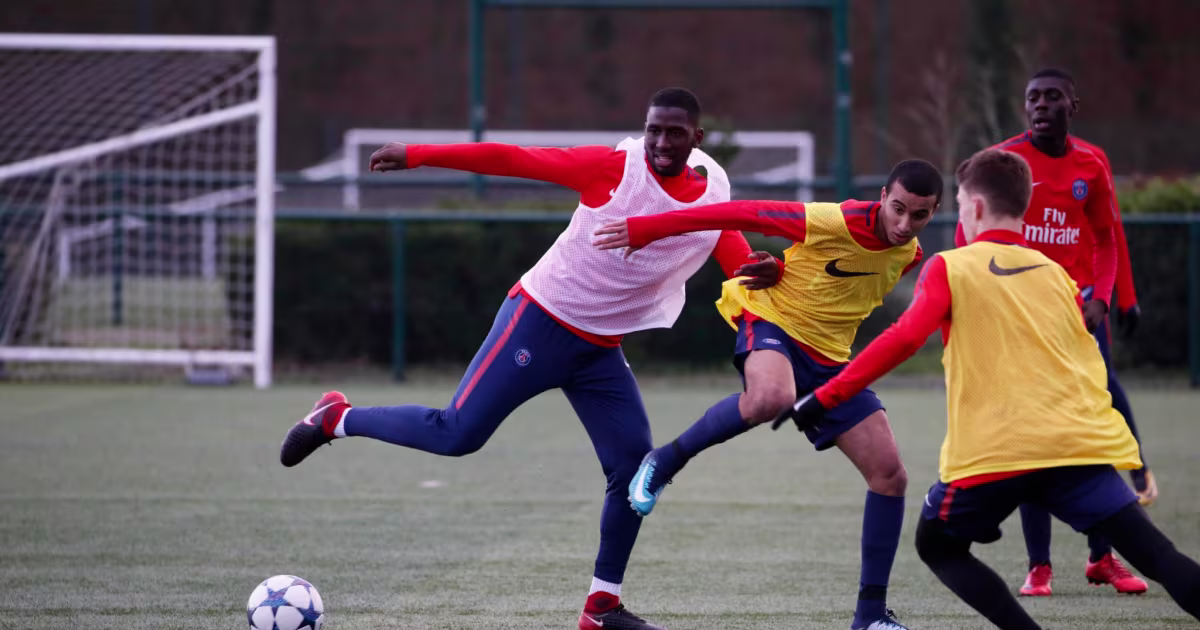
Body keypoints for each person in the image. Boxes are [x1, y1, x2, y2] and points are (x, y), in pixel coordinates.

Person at [279, 87, 783, 630]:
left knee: (634, 471)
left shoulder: (713, 188)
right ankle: (337, 418)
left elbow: (725, 243)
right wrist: (420, 153)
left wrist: (757, 269)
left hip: (600, 349)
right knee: (458, 434)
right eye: (653, 129)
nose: (661, 142)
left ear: (697, 138)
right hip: (539, 320)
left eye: (675, 133)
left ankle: (602, 607)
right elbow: (513, 159)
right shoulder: (615, 168)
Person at [776, 147, 1200, 629]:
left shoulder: (949, 266)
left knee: (937, 546)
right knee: (1161, 556)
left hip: (996, 454)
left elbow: (905, 339)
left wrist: (825, 396)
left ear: (974, 207)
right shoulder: (1057, 275)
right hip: (1079, 446)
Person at [593, 159, 944, 630]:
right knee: (769, 398)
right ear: (882, 195)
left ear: (935, 212)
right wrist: (645, 229)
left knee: (889, 475)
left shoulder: (912, 255)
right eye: (897, 208)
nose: (904, 224)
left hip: (831, 361)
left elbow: (833, 284)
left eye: (918, 215)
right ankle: (664, 460)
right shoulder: (827, 220)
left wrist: (781, 266)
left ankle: (870, 616)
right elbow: (735, 213)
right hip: (774, 323)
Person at [954, 68, 1153, 596]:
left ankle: (1102, 557)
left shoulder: (1091, 163)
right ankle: (1039, 565)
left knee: (1088, 428)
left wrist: (1108, 298)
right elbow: (965, 234)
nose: (1041, 105)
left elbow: (1109, 239)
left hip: (1075, 315)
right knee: (1032, 436)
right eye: (1032, 98)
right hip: (1018, 317)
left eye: (1052, 97)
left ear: (1073, 105)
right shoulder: (1004, 162)